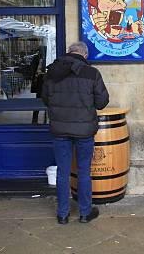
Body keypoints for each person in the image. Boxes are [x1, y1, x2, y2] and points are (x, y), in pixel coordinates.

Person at [41, 41, 109, 225]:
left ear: (68, 52)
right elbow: (102, 102)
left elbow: (45, 99)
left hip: (59, 130)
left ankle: (62, 214)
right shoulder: (91, 73)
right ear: (84, 55)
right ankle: (85, 213)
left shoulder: (52, 72)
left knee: (63, 172)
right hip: (84, 130)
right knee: (83, 171)